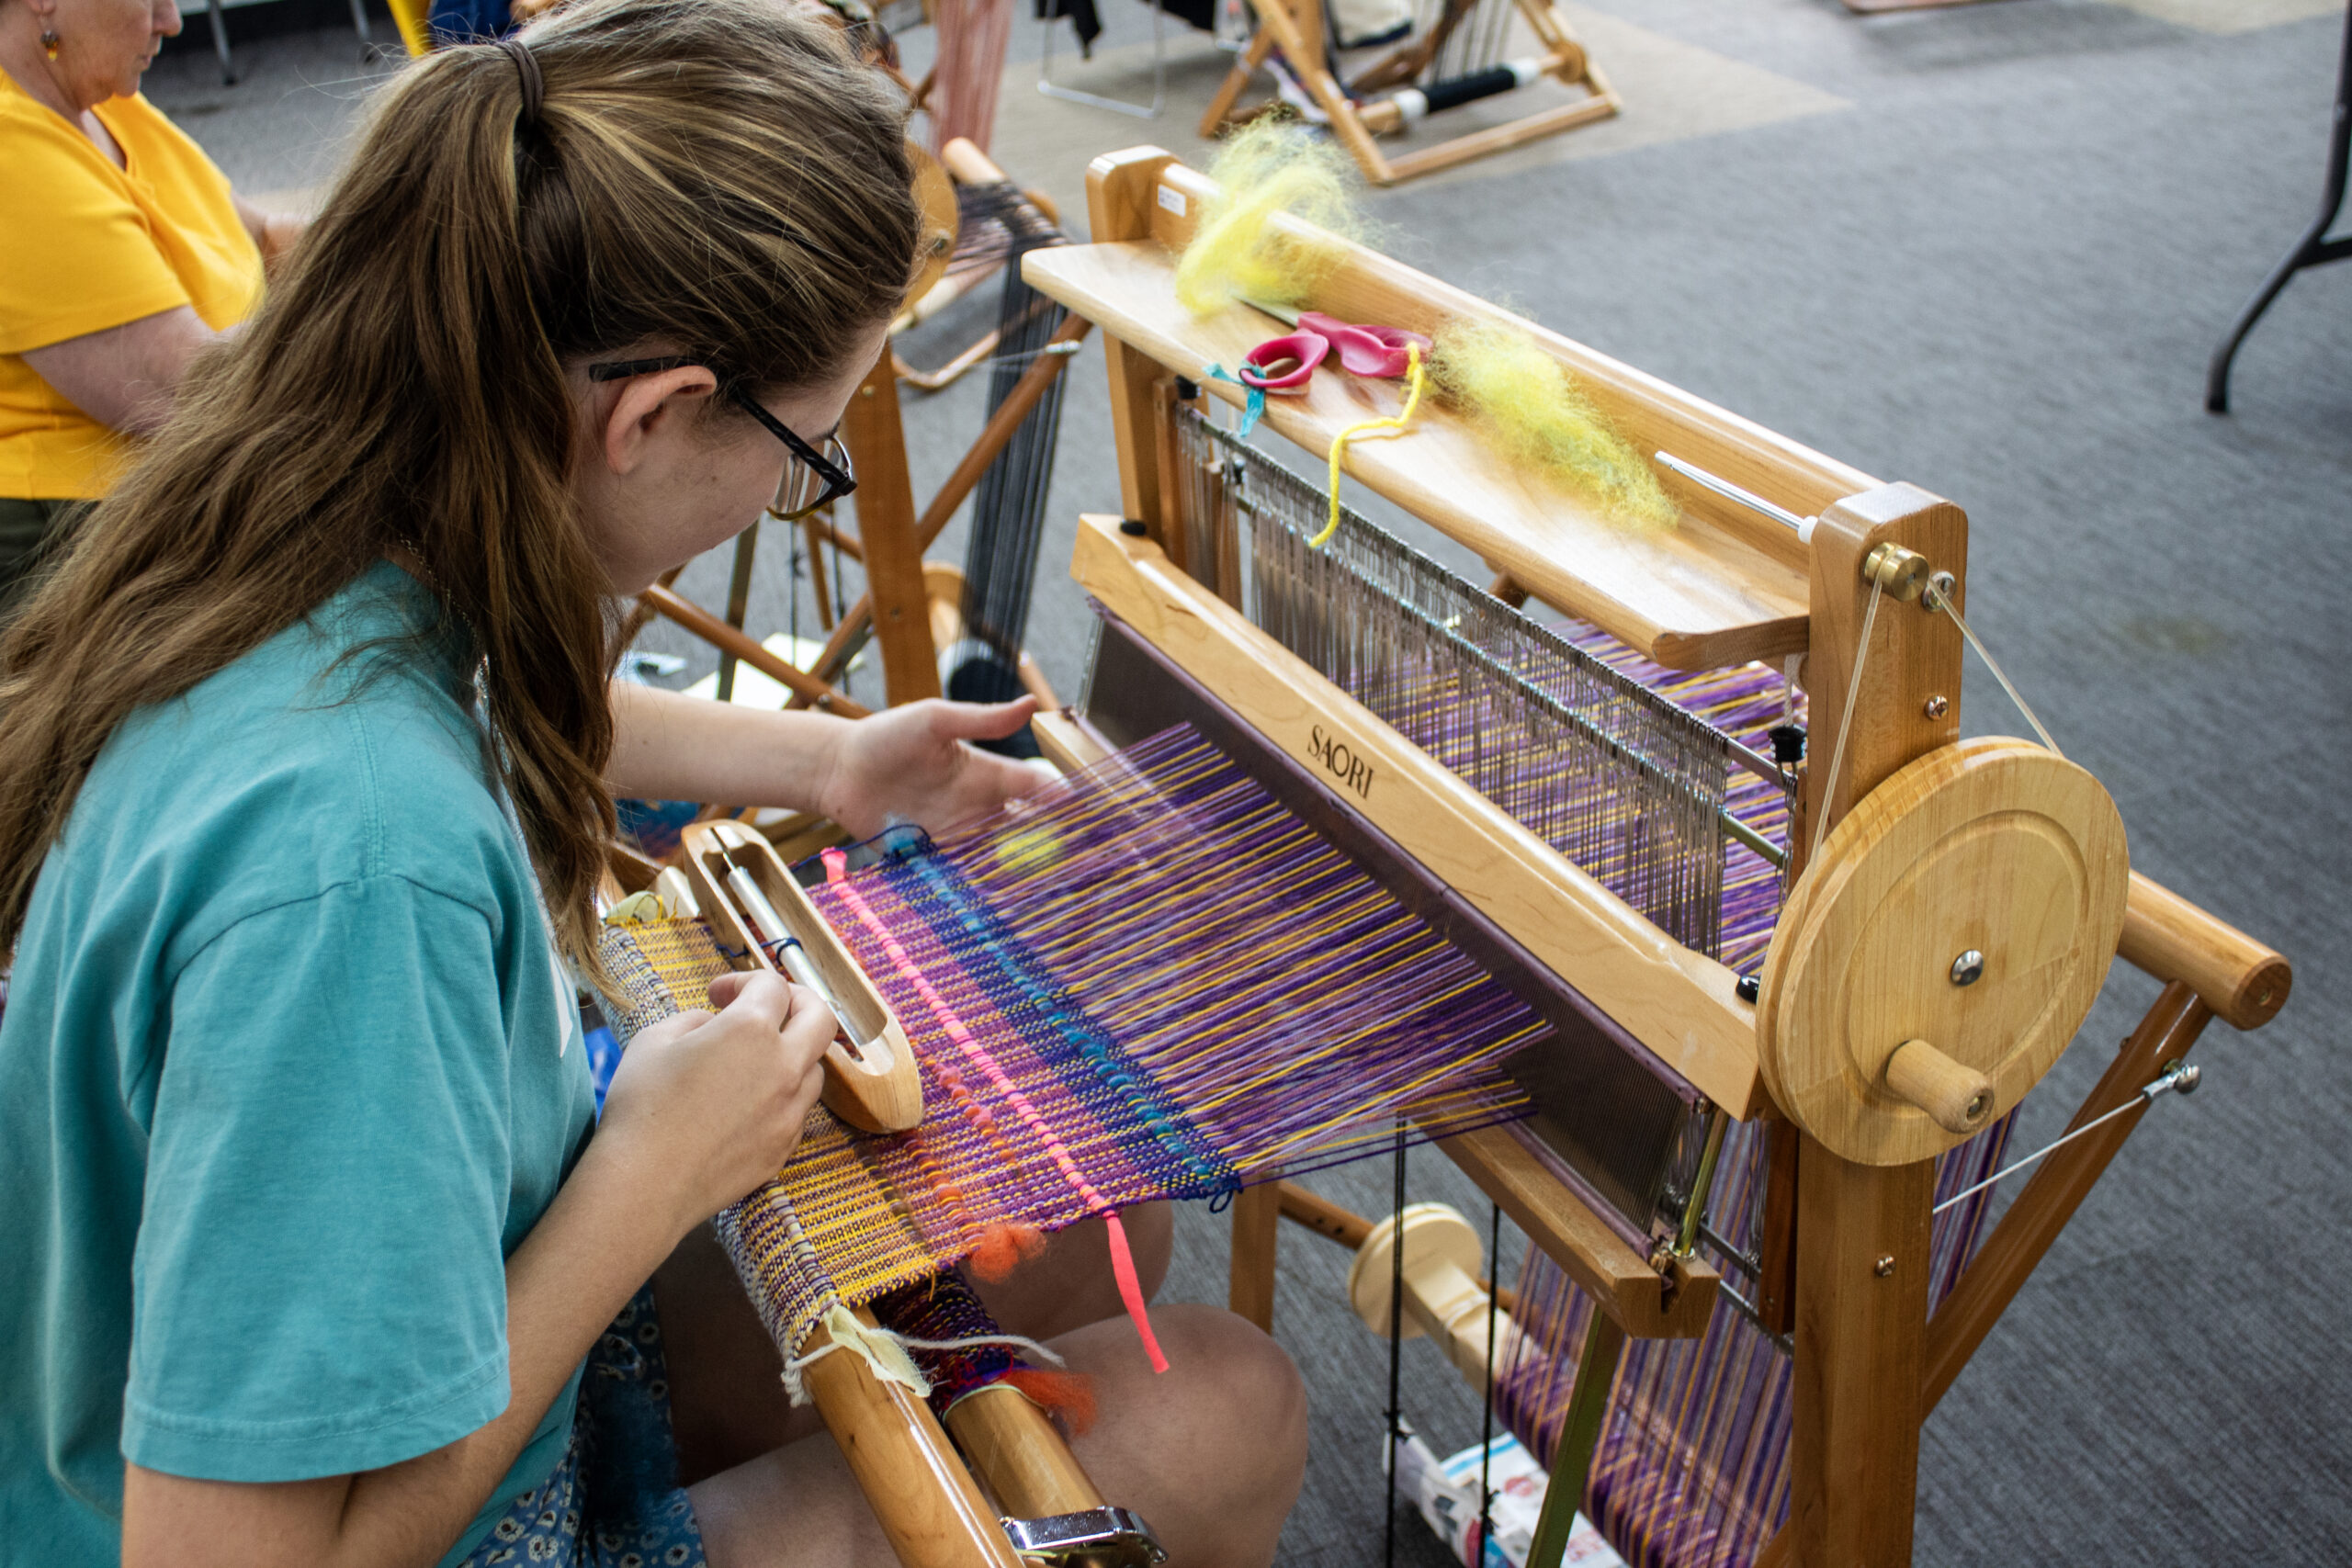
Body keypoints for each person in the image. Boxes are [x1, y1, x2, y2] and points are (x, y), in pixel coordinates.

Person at [0, 2, 1307, 1565]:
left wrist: (834, 757)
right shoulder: (357, 869)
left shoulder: (318, 540)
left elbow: (495, 707)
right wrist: (647, 1172)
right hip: (401, 1521)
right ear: (653, 413)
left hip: (420, 1343)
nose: (793, 485)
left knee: (1096, 1228)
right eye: (807, 450)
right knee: (1232, 1406)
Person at [0, 0, 303, 604]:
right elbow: (194, 392)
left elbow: (266, 237)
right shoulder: (12, 148)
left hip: (194, 491)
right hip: (91, 545)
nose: (172, 21)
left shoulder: (104, 102)